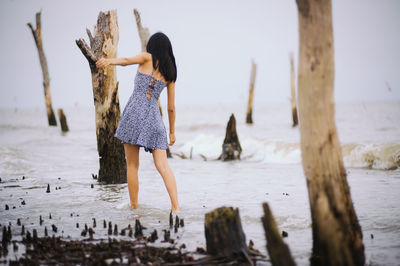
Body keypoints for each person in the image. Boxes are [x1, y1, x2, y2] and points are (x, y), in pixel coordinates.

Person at [96, 32, 180, 214]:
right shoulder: (171, 71)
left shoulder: (146, 57)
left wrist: (108, 61)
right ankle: (176, 207)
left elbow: (126, 60)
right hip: (154, 119)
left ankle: (134, 207)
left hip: (134, 114)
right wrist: (172, 132)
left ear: (152, 46)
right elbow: (171, 107)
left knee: (132, 165)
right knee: (164, 167)